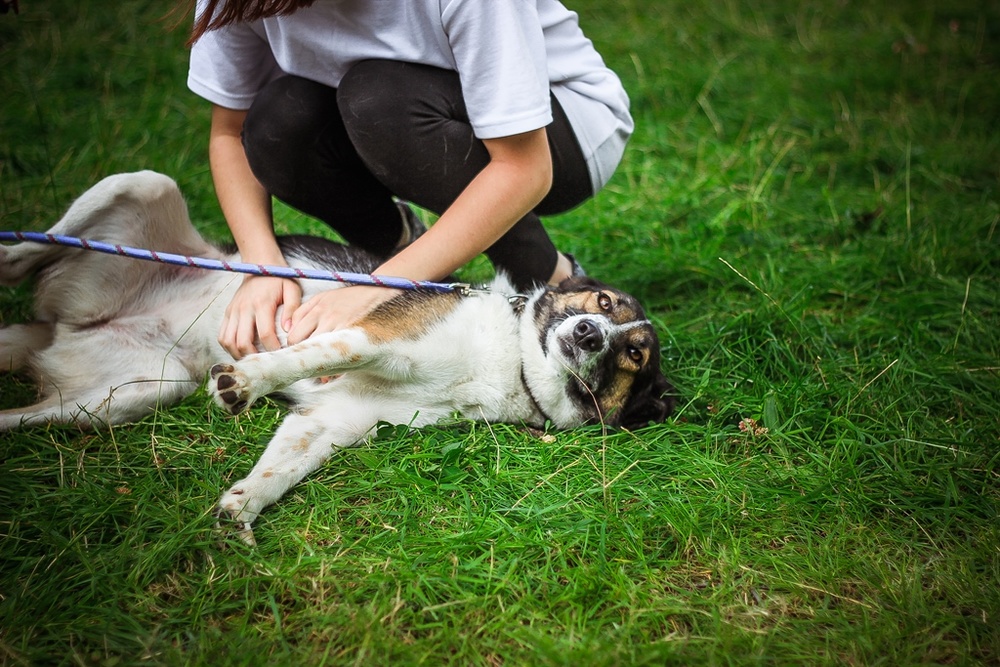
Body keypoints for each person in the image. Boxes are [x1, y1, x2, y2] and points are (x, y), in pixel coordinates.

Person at [187, 0, 633, 359]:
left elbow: (524, 168)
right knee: (278, 119)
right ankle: (403, 248)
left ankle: (551, 277)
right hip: (387, 114)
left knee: (378, 97)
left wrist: (377, 289)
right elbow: (231, 132)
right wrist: (260, 267)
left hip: (563, 129)